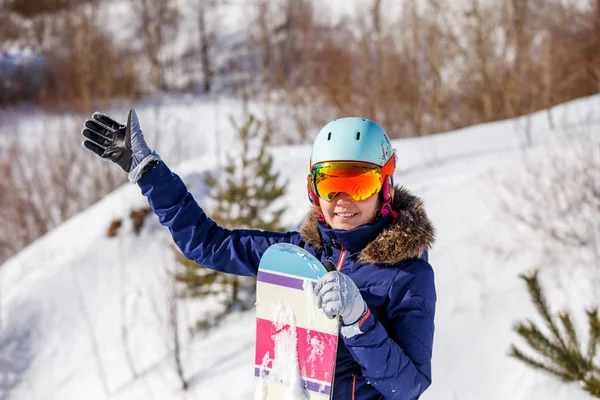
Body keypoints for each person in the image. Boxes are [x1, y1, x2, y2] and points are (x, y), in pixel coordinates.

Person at [81, 110, 436, 400]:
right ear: (314, 189)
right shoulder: (297, 255)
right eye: (330, 182)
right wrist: (147, 171)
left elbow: (407, 387)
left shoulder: (407, 275)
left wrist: (359, 322)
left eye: (359, 183)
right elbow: (208, 244)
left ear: (385, 187)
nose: (342, 199)